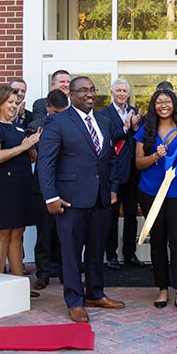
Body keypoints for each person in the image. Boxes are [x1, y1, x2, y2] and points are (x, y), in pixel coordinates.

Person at [37, 76, 124, 323]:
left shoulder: (105, 122)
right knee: (72, 253)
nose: (89, 94)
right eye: (83, 90)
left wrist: (112, 187)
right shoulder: (57, 121)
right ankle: (74, 301)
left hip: (100, 199)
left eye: (92, 89)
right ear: (71, 95)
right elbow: (46, 162)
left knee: (97, 251)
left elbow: (111, 158)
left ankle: (95, 293)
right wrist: (51, 197)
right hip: (70, 201)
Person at [134, 89, 177, 314]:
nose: (163, 105)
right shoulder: (145, 130)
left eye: (167, 101)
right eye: (159, 102)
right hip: (150, 191)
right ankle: (162, 289)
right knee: (158, 240)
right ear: (153, 106)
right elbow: (138, 163)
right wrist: (156, 156)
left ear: (174, 105)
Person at [0, 84, 40, 280]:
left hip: (22, 185)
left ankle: (19, 283)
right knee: (3, 234)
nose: (15, 106)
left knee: (18, 233)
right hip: (4, 187)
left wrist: (31, 145)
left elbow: (30, 157)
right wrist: (23, 147)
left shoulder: (18, 126)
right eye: (11, 102)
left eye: (17, 103)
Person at [99, 78, 143, 269]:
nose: (122, 94)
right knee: (112, 216)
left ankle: (130, 254)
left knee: (132, 214)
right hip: (113, 173)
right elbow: (106, 141)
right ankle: (111, 255)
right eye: (118, 91)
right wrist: (125, 127)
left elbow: (140, 139)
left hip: (133, 172)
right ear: (111, 93)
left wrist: (134, 127)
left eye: (125, 91)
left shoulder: (135, 112)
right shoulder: (103, 114)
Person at [28, 89, 69, 291]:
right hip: (41, 189)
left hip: (66, 187)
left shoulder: (72, 125)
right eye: (55, 113)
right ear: (47, 108)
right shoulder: (34, 128)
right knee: (43, 235)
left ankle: (65, 272)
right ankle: (43, 274)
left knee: (65, 234)